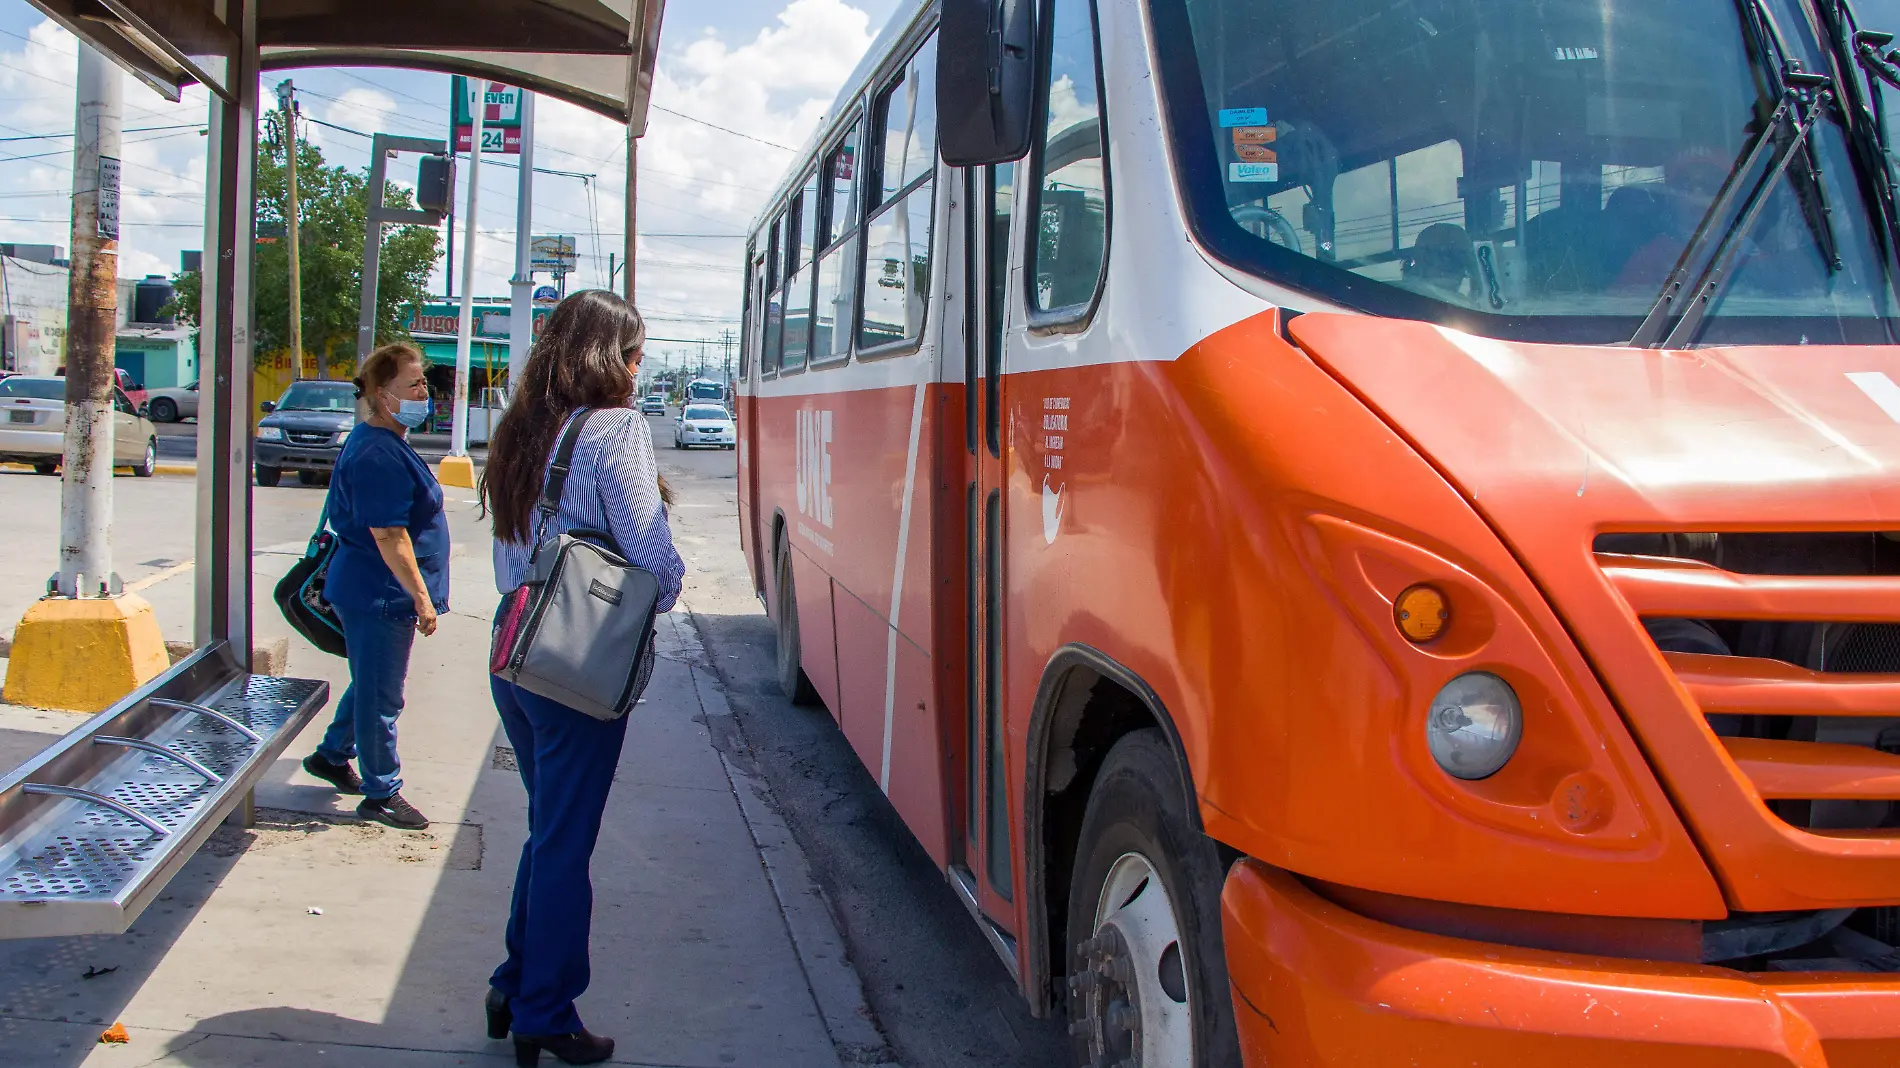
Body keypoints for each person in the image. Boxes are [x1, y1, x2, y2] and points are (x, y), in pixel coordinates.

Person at [479, 290, 685, 1066]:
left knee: (548, 831)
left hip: (515, 653)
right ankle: (544, 1011)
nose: (640, 370)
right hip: (578, 665)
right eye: (636, 353)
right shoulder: (615, 429)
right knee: (566, 842)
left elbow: (509, 556)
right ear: (611, 356)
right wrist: (670, 580)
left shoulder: (521, 430)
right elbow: (649, 554)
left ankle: (515, 979)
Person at [299, 342, 447, 831]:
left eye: (424, 382)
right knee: (383, 698)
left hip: (374, 589)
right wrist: (421, 599)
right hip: (379, 593)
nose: (424, 391)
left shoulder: (383, 440)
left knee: (370, 683)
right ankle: (381, 791)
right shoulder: (378, 453)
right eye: (414, 384)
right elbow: (389, 534)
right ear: (384, 396)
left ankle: (331, 754)